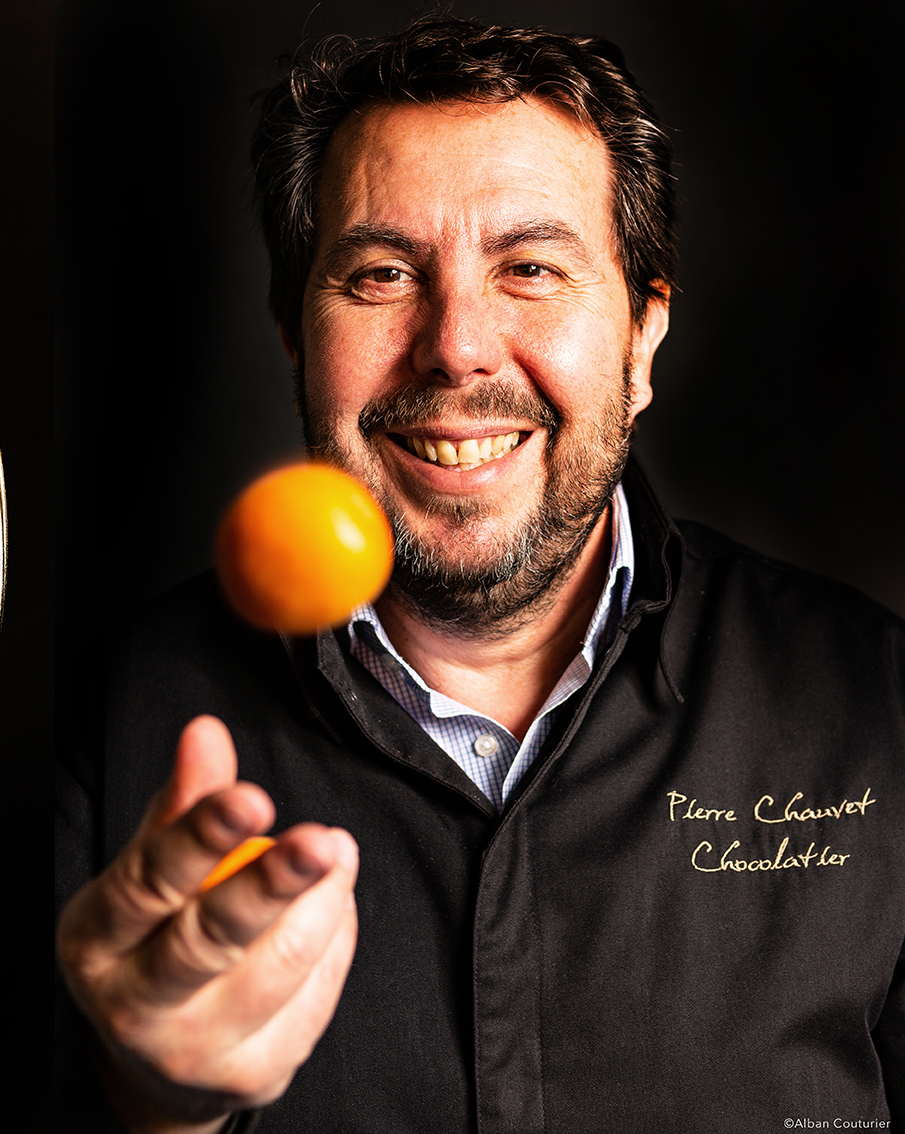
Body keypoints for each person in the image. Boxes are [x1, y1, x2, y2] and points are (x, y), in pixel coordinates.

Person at [54, 17, 905, 1134]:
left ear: (643, 337)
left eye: (532, 268)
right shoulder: (104, 728)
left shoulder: (876, 704)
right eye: (382, 273)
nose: (457, 344)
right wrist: (155, 1111)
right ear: (293, 339)